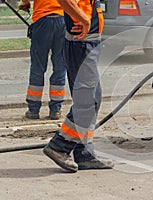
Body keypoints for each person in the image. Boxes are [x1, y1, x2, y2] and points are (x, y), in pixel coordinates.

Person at [42, 0, 114, 172]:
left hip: (86, 44)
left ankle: (84, 153)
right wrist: (83, 18)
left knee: (90, 99)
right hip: (81, 45)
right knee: (89, 102)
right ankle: (59, 146)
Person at [19, 0, 67, 120]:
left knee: (37, 68)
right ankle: (55, 110)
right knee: (60, 67)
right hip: (63, 19)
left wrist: (25, 3)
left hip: (42, 20)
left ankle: (33, 110)